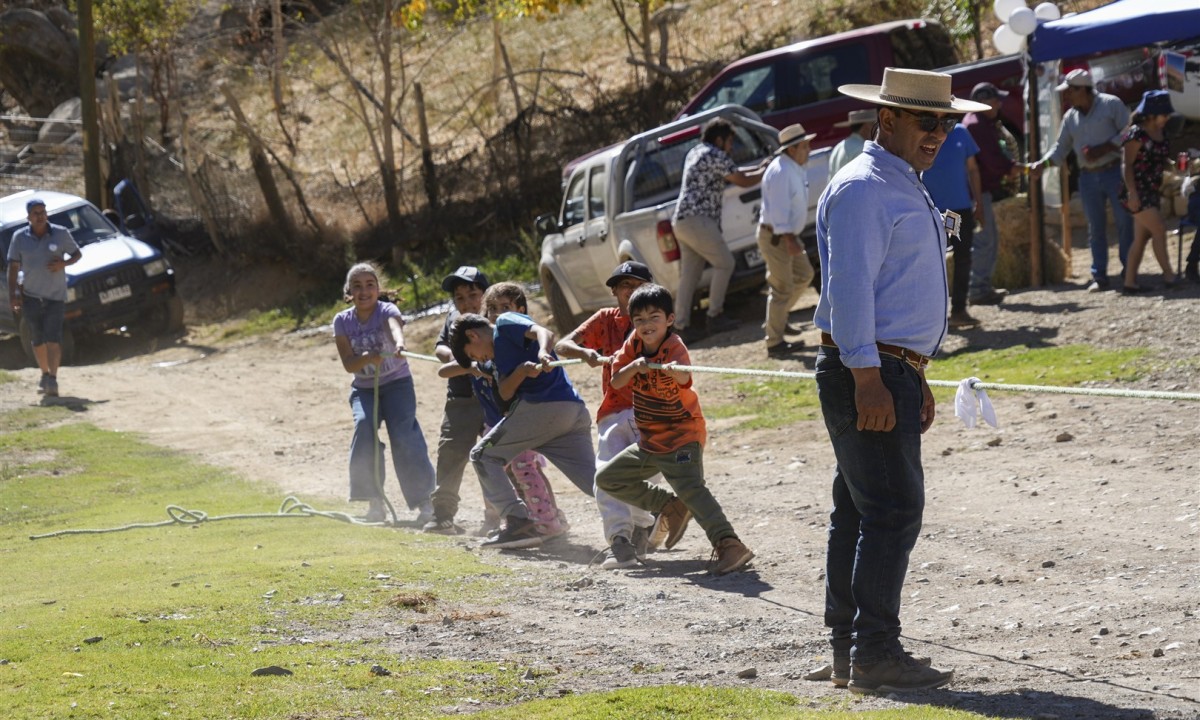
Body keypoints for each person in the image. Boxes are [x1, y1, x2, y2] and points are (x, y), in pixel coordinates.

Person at [814, 67, 989, 694]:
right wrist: (870, 377)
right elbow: (851, 291)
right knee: (890, 509)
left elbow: (891, 292)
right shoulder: (866, 188)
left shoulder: (895, 181)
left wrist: (912, 372)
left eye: (946, 121)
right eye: (926, 120)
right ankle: (873, 652)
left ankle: (852, 649)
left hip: (887, 365)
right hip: (869, 366)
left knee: (861, 509)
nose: (939, 132)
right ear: (887, 119)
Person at [594, 283, 754, 576]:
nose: (646, 325)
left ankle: (730, 544)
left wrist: (673, 370)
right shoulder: (633, 344)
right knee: (608, 478)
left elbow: (684, 378)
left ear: (669, 319)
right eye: (639, 319)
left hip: (682, 437)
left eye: (654, 317)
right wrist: (635, 367)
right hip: (650, 441)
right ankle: (669, 506)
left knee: (692, 489)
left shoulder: (674, 346)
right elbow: (616, 381)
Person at [449, 309, 597, 550]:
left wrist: (542, 351)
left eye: (472, 354)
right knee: (595, 481)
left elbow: (544, 332)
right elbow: (505, 392)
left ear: (472, 336)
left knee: (482, 456)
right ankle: (653, 506)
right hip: (572, 413)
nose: (479, 358)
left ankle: (518, 522)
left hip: (543, 409)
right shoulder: (495, 360)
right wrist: (520, 372)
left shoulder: (504, 323)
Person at [555, 260, 658, 569]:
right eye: (625, 285)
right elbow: (562, 345)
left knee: (644, 475)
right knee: (606, 475)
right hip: (614, 412)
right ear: (614, 291)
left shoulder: (658, 321)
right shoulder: (604, 320)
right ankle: (620, 541)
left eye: (638, 285)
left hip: (654, 411)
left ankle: (642, 526)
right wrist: (585, 352)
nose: (632, 291)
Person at [332, 262, 435, 524]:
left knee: (404, 435)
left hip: (398, 384)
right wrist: (367, 357)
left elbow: (394, 326)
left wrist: (399, 344)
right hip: (364, 389)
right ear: (349, 292)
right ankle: (374, 502)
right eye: (357, 286)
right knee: (364, 426)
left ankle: (425, 502)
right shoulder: (341, 321)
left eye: (370, 285)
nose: (364, 291)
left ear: (378, 289)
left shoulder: (387, 310)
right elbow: (349, 364)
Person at [1030, 69, 1133, 292]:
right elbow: (1060, 149)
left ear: (1083, 90)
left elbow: (1129, 132)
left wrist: (1105, 147)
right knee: (1095, 227)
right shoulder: (1070, 118)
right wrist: (1042, 165)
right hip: (1087, 177)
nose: (1066, 96)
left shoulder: (1111, 104)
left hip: (1115, 171)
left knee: (1125, 222)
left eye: (1070, 91)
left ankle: (1129, 272)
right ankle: (1100, 275)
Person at [671, 117, 766, 341]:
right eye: (730, 141)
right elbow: (742, 180)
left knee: (689, 276)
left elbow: (735, 171)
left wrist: (760, 167)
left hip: (683, 221)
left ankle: (680, 326)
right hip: (698, 220)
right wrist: (765, 171)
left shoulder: (697, 152)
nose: (731, 147)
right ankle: (715, 315)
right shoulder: (714, 154)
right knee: (725, 263)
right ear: (720, 139)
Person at [424, 267, 492, 535]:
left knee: (493, 457)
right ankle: (442, 515)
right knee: (450, 453)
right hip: (460, 399)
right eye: (459, 297)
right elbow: (440, 346)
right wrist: (454, 357)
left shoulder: (495, 319)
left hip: (494, 399)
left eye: (473, 295)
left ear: (485, 294)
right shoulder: (453, 320)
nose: (466, 303)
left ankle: (502, 516)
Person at [6, 198, 82, 398]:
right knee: (37, 339)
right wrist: (13, 294)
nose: (40, 216)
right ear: (28, 217)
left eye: (43, 212)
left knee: (53, 338)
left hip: (55, 296)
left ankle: (53, 379)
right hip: (30, 296)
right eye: (36, 213)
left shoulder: (60, 233)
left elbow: (77, 254)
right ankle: (44, 374)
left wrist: (63, 264)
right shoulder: (19, 238)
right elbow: (13, 267)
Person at [757, 123, 817, 356]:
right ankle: (774, 342)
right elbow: (780, 212)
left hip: (784, 235)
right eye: (805, 146)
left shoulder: (791, 167)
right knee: (782, 288)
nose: (809, 150)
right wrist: (790, 239)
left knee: (804, 275)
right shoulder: (782, 171)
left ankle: (777, 320)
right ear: (792, 149)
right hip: (779, 236)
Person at [921, 122, 982, 329]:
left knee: (962, 258)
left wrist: (979, 203)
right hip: (934, 211)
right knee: (933, 262)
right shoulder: (921, 132)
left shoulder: (961, 133)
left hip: (958, 211)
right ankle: (933, 315)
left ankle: (958, 310)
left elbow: (973, 169)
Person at [1119, 90, 1179, 293]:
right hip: (1137, 191)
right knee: (1159, 229)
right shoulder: (1136, 134)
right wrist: (1132, 193)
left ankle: (1129, 283)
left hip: (1152, 190)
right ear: (1152, 114)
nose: (1167, 118)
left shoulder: (1162, 133)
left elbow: (1159, 160)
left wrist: (1176, 166)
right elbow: (1127, 165)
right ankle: (1169, 276)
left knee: (1140, 238)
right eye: (1164, 114)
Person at [962, 83, 1015, 306]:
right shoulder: (977, 126)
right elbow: (991, 160)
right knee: (984, 241)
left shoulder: (977, 123)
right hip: (976, 192)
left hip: (978, 191)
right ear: (983, 102)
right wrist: (1013, 168)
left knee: (987, 240)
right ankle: (978, 289)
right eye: (995, 100)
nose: (999, 104)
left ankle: (982, 287)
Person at [828, 109, 877, 177]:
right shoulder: (863, 150)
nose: (877, 130)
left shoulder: (838, 147)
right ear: (866, 126)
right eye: (874, 125)